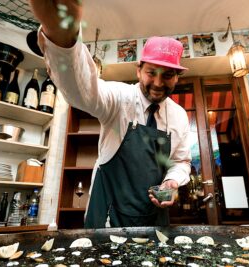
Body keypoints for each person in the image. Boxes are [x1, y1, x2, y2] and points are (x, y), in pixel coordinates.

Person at [28, 0, 191, 228]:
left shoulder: (180, 116)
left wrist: (172, 182)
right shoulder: (119, 98)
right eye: (151, 73)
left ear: (177, 77)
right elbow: (83, 91)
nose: (157, 83)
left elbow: (180, 161)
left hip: (154, 217)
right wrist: (62, 38)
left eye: (167, 76)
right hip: (107, 216)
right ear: (138, 70)